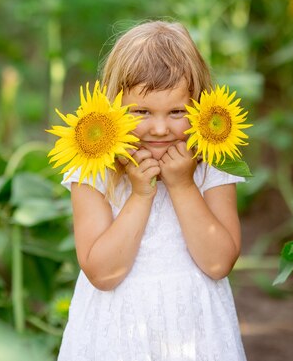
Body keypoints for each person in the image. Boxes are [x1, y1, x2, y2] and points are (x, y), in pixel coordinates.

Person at [57, 20, 248, 361]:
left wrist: (184, 185)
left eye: (177, 111)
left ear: (202, 106)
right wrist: (141, 195)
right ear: (113, 106)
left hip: (194, 331)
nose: (160, 129)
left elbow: (219, 263)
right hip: (117, 333)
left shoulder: (213, 165)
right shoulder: (93, 169)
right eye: (141, 111)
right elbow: (102, 273)